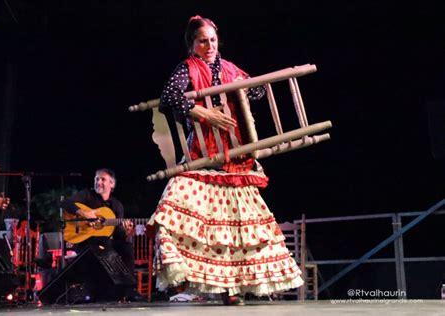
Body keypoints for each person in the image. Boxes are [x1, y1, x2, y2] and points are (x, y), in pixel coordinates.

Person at [147, 16, 304, 305]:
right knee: (171, 206)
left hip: (234, 157)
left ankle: (231, 290)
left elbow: (256, 90)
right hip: (202, 157)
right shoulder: (187, 69)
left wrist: (243, 87)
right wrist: (203, 112)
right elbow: (169, 97)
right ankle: (191, 278)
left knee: (234, 227)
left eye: (213, 40)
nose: (209, 45)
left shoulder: (231, 69)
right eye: (202, 40)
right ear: (192, 44)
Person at [61, 168, 140, 301]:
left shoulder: (117, 205)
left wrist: (125, 231)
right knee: (103, 242)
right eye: (97, 179)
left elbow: (117, 233)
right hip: (84, 241)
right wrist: (84, 213)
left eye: (103, 179)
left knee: (126, 246)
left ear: (112, 184)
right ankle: (102, 291)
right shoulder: (87, 195)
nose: (99, 182)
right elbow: (65, 203)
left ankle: (129, 288)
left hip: (105, 243)